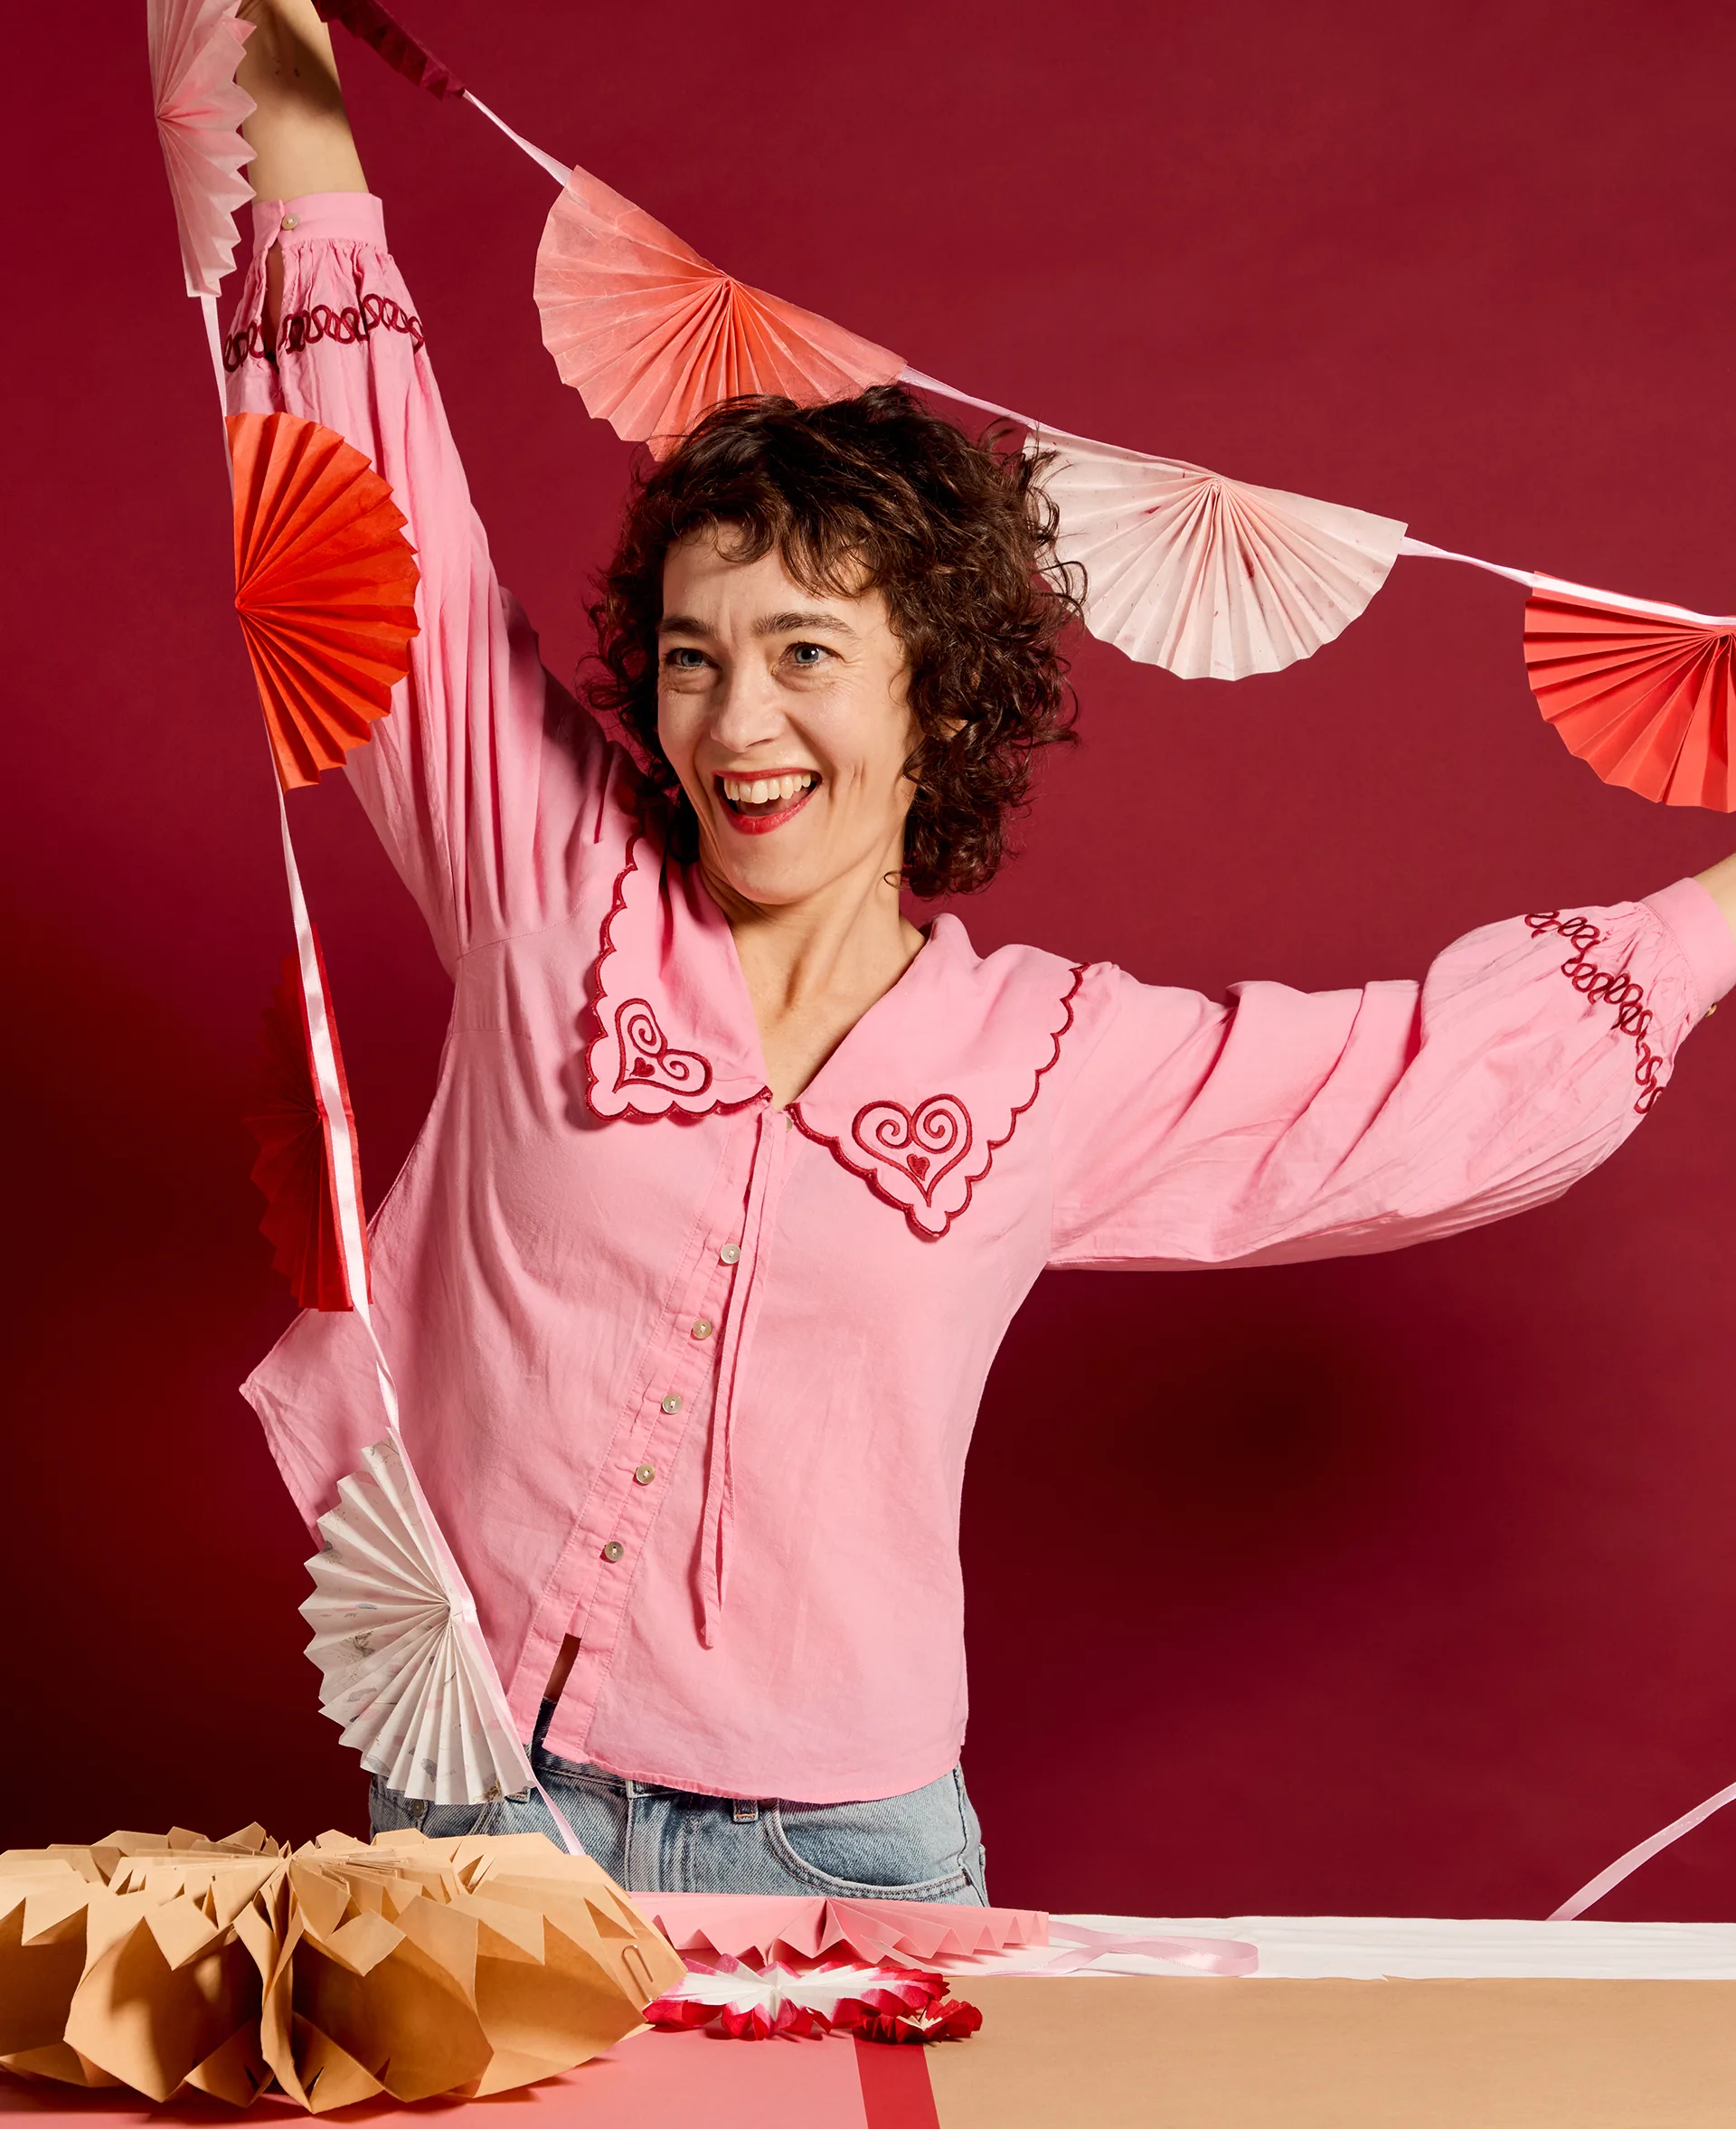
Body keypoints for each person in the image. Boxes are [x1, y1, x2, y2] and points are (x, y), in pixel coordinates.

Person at [232, 3, 1736, 1903]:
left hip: (847, 1853)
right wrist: (272, 38)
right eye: (692, 655)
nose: (733, 718)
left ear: (939, 702)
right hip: (472, 1808)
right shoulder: (551, 885)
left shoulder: (1054, 1062)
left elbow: (1412, 1087)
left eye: (804, 654)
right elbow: (382, 515)